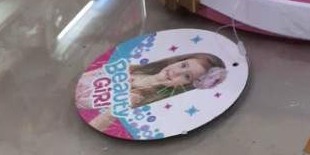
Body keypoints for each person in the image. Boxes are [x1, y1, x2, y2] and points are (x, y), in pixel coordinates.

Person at [77, 53, 227, 133]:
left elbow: (95, 127)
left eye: (186, 76)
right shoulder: (130, 68)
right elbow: (83, 77)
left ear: (185, 87)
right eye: (183, 65)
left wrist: (118, 107)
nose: (175, 72)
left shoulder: (141, 101)